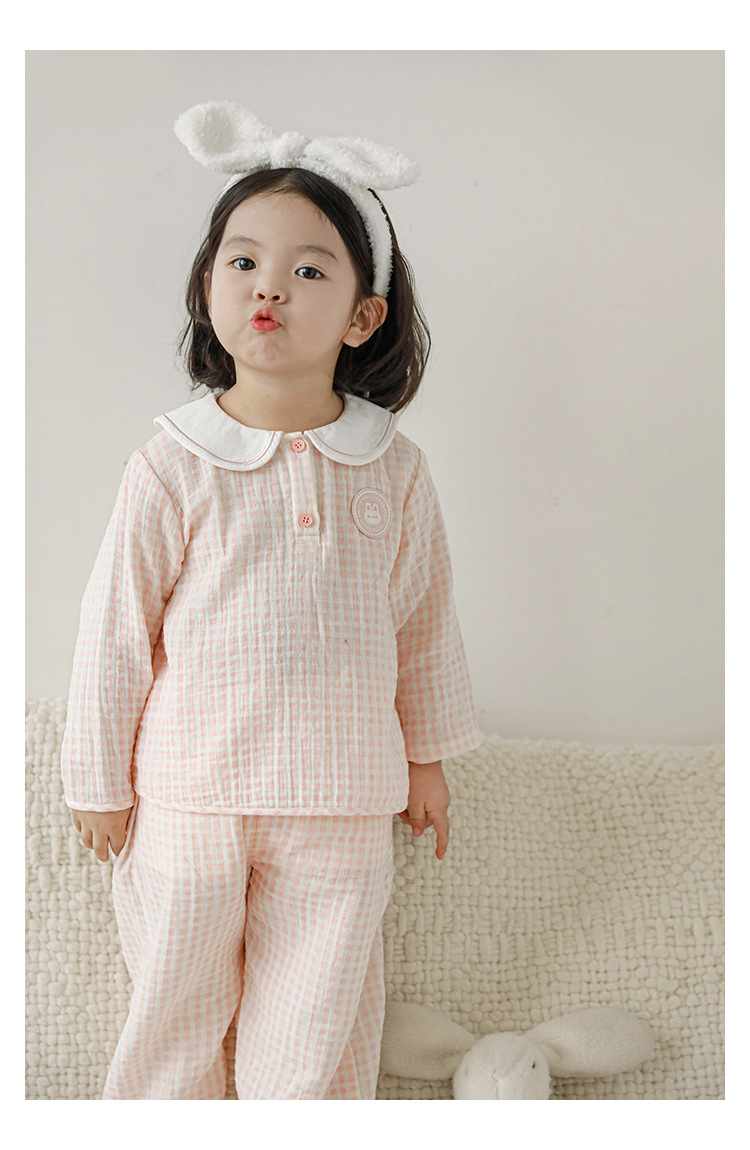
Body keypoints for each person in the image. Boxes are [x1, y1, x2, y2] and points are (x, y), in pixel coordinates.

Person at [60, 102, 482, 1100]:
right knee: (177, 1007)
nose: (269, 287)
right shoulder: (172, 464)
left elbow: (422, 621)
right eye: (243, 261)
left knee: (315, 1022)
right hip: (190, 793)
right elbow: (116, 631)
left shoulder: (395, 469)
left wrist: (425, 757)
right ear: (208, 285)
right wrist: (97, 778)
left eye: (309, 271)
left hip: (341, 798)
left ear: (363, 316)